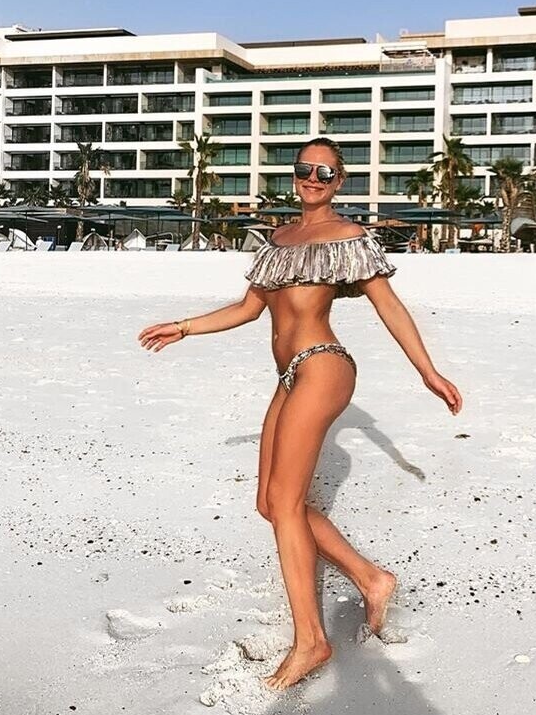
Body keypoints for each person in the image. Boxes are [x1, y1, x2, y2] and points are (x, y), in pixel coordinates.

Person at [137, 136, 463, 691]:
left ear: (339, 181)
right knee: (270, 503)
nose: (313, 178)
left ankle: (311, 640)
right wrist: (185, 327)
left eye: (325, 172)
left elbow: (390, 306)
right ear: (295, 175)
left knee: (286, 503)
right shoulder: (277, 240)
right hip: (288, 375)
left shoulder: (347, 237)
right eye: (305, 169)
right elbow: (248, 308)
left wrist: (428, 372)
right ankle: (371, 578)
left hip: (323, 365)